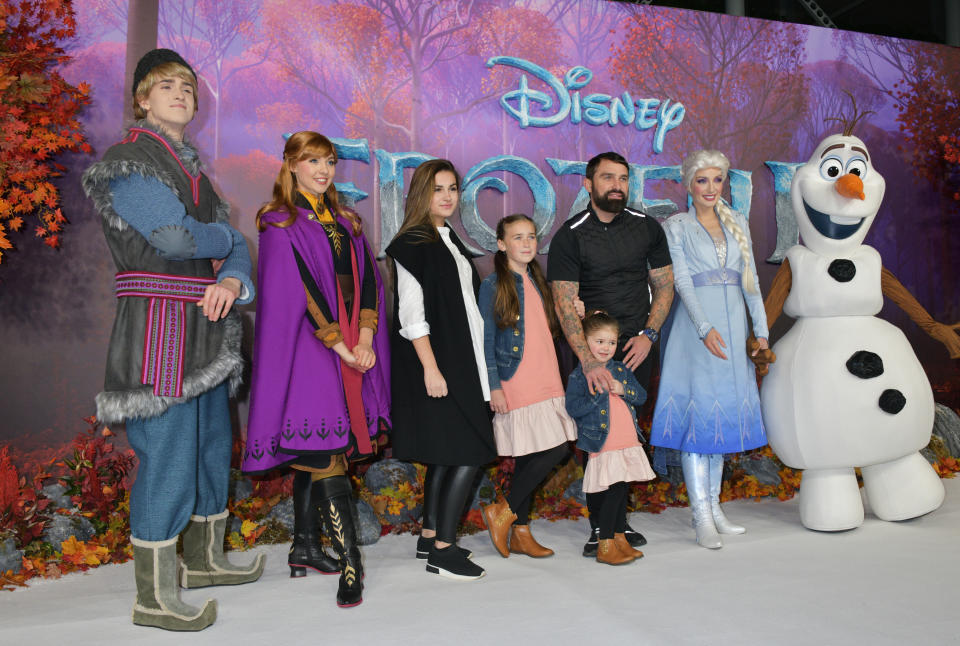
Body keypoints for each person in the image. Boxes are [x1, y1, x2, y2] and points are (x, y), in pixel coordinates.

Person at [81, 49, 262, 631]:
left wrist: (233, 273)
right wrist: (223, 236)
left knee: (211, 448)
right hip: (158, 327)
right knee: (168, 457)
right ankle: (154, 598)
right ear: (141, 98)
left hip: (207, 326)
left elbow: (234, 251)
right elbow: (173, 239)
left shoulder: (196, 177)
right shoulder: (128, 161)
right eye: (165, 85)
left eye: (187, 85)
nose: (181, 93)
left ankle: (205, 562)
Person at [241, 132, 390, 606]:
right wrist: (339, 345)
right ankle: (351, 566)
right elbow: (297, 291)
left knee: (321, 449)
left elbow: (368, 280)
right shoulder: (279, 222)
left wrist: (364, 337)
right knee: (325, 450)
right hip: (309, 350)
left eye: (328, 161)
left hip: (352, 340)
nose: (323, 170)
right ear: (291, 165)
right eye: (312, 161)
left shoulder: (346, 219)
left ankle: (304, 547)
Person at [547, 151, 674, 556]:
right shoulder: (570, 235)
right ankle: (599, 527)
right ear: (588, 184)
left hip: (637, 349)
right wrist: (588, 360)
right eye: (607, 178)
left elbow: (665, 285)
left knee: (628, 435)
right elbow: (565, 304)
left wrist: (649, 335)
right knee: (597, 434)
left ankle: (617, 524)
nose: (616, 185)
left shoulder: (647, 228)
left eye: (622, 178)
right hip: (593, 352)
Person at [649, 149, 769, 549]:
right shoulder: (676, 226)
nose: (711, 188)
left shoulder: (737, 222)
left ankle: (715, 507)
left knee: (720, 422)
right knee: (698, 421)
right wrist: (703, 328)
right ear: (689, 184)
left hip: (734, 331)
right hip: (695, 332)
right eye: (703, 180)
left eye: (718, 180)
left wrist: (762, 332)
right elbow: (681, 280)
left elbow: (750, 281)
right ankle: (700, 514)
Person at [386, 159, 496, 581]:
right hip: (438, 364)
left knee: (445, 454)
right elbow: (411, 317)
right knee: (468, 450)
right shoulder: (412, 244)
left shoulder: (446, 238)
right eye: (438, 189)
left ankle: (430, 534)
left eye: (452, 188)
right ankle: (444, 552)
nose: (447, 196)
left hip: (461, 361)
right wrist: (432, 369)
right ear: (421, 195)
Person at [477, 215, 577, 558]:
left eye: (531, 236)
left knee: (536, 455)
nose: (526, 243)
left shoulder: (537, 280)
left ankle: (519, 530)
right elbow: (486, 340)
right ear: (502, 244)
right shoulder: (493, 285)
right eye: (517, 237)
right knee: (557, 448)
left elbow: (546, 330)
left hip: (547, 375)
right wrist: (494, 386)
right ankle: (501, 511)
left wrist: (572, 311)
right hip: (517, 378)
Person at [565, 311, 655, 564]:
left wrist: (622, 388)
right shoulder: (580, 375)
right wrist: (597, 396)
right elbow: (573, 407)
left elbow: (641, 396)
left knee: (622, 488)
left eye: (612, 342)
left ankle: (619, 539)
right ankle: (605, 543)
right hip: (604, 444)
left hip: (627, 440)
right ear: (584, 342)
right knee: (613, 491)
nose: (606, 348)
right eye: (599, 341)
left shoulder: (620, 369)